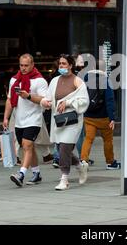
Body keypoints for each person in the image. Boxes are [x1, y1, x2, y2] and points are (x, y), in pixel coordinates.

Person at [41, 54, 89, 191]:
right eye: (60, 64)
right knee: (62, 149)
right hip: (59, 120)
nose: (61, 66)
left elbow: (84, 101)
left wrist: (68, 102)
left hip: (73, 121)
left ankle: (64, 179)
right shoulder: (55, 81)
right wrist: (45, 102)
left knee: (64, 149)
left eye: (63, 64)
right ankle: (80, 166)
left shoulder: (78, 81)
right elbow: (49, 98)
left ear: (70, 65)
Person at [3, 54, 48, 187]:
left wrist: (28, 96)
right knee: (28, 147)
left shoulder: (39, 81)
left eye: (26, 65)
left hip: (34, 119)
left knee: (27, 145)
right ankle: (37, 173)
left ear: (32, 65)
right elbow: (10, 100)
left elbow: (45, 101)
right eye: (21, 65)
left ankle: (21, 174)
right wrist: (6, 117)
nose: (23, 68)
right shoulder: (14, 80)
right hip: (19, 120)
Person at [80, 60, 120, 170]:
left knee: (88, 139)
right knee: (107, 140)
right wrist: (112, 117)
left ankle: (83, 160)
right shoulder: (106, 80)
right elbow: (109, 100)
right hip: (104, 118)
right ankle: (110, 162)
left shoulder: (86, 79)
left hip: (88, 116)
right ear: (104, 69)